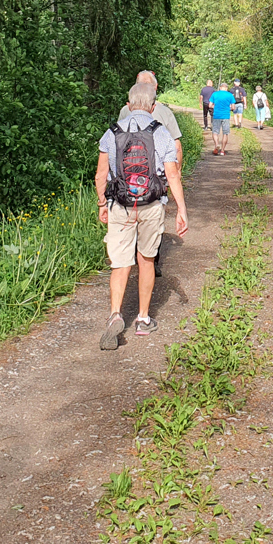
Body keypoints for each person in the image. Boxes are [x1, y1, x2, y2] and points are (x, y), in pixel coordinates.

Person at [96, 80, 189, 349]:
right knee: (146, 259)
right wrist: (181, 209)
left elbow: (101, 174)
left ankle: (115, 314)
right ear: (153, 106)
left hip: (120, 205)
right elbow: (172, 174)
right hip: (150, 205)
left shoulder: (110, 133)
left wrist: (102, 203)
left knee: (120, 262)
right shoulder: (160, 133)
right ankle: (143, 319)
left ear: (128, 105)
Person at [118, 71, 183, 278]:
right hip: (156, 179)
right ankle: (150, 260)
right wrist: (176, 172)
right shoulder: (163, 112)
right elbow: (176, 144)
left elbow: (117, 143)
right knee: (154, 217)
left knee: (130, 214)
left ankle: (131, 258)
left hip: (127, 176)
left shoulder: (125, 111)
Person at [208, 81, 235, 156]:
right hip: (226, 116)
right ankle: (222, 151)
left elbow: (210, 105)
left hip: (216, 115)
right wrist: (229, 108)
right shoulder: (230, 95)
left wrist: (216, 107)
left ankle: (216, 144)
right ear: (226, 88)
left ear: (220, 87)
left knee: (215, 132)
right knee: (225, 133)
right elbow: (233, 107)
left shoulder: (215, 94)